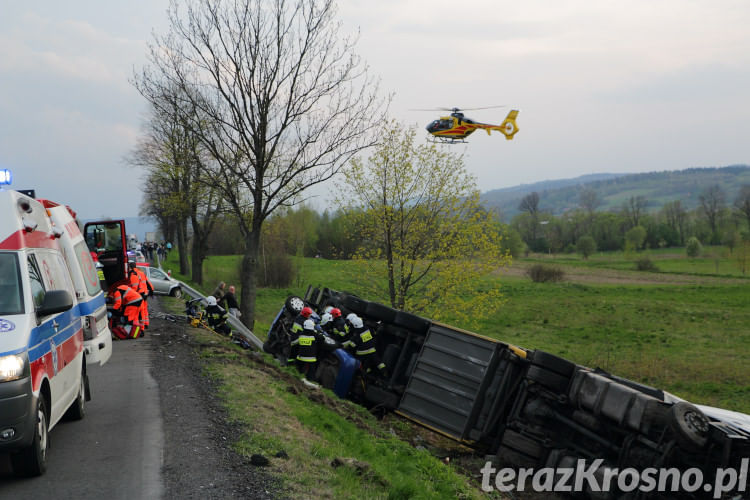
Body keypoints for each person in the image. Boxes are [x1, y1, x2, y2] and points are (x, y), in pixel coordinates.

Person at [128, 261, 153, 330]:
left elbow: (134, 287)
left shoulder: (133, 275)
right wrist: (151, 292)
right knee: (144, 309)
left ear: (130, 267)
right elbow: (148, 283)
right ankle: (146, 324)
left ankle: (141, 327)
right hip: (145, 293)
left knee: (140, 310)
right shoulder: (141, 273)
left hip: (139, 294)